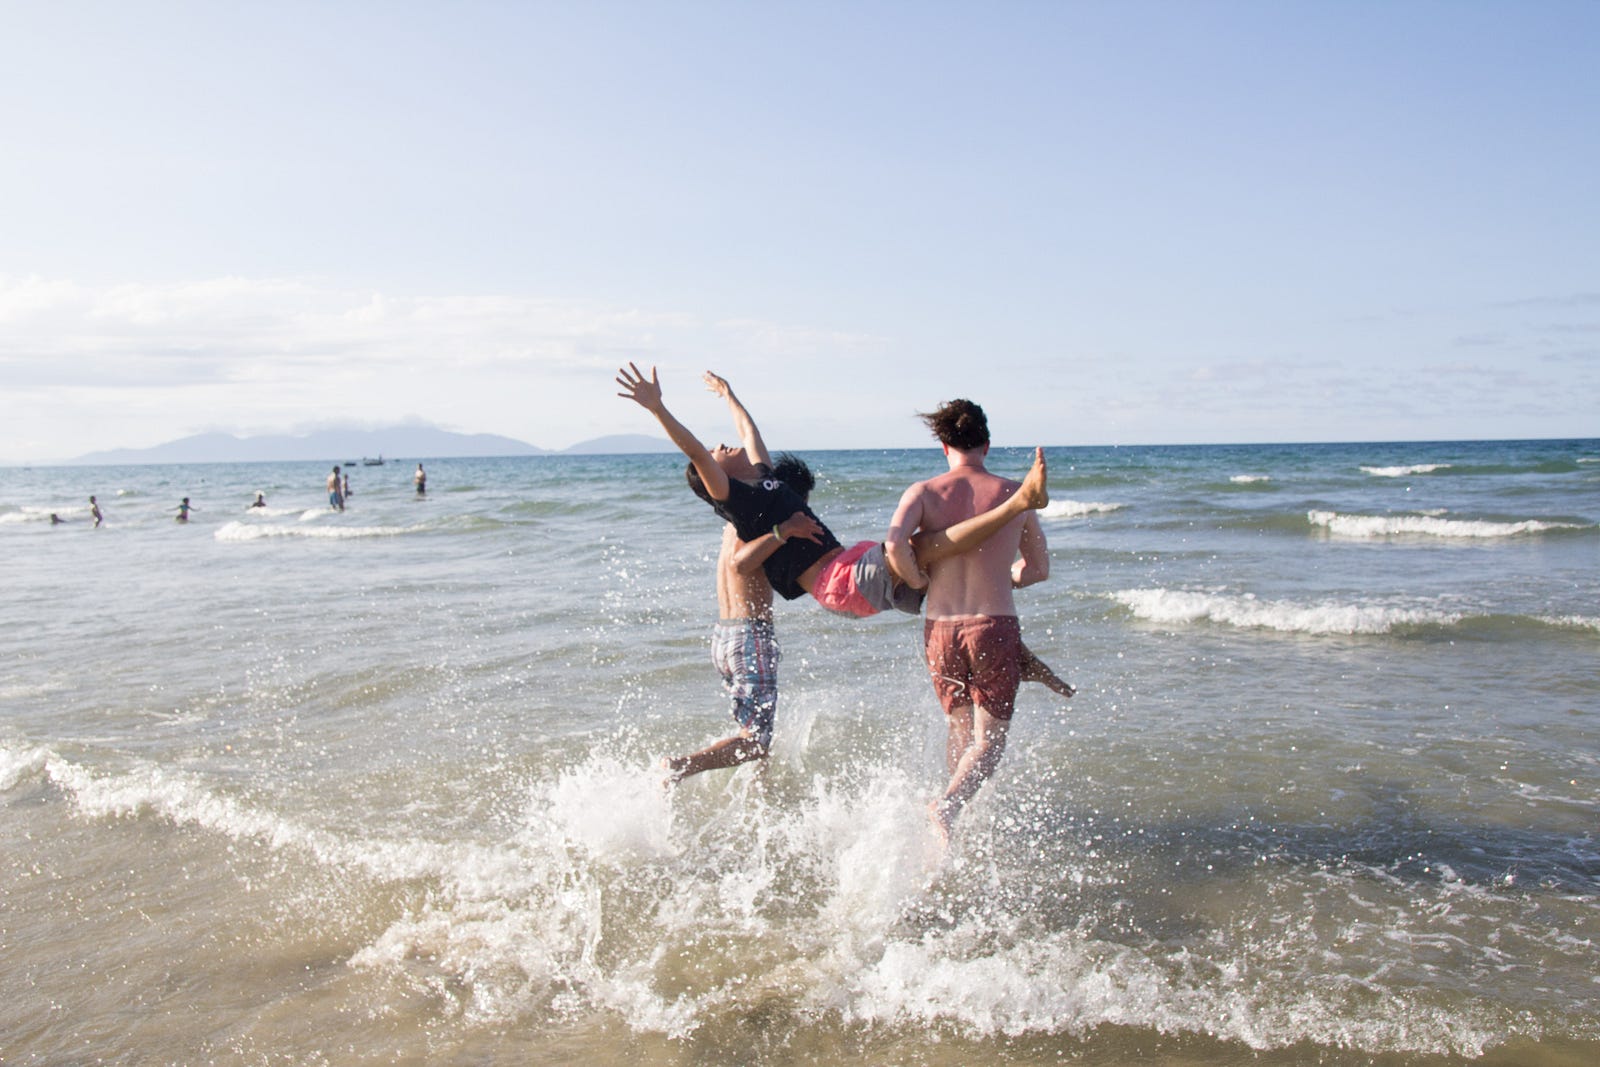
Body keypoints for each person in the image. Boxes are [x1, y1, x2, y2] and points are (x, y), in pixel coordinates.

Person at [616, 365, 1050, 620]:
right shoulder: (737, 500)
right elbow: (695, 450)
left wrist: (728, 394)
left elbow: (749, 431)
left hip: (849, 569)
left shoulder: (766, 478)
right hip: (839, 582)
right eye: (717, 453)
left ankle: (1016, 646)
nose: (723, 446)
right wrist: (658, 408)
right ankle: (1017, 503)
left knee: (951, 571)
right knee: (919, 547)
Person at [885, 399, 1073, 845]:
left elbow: (894, 546)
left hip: (940, 629)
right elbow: (1038, 569)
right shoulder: (1015, 495)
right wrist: (1004, 576)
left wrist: (918, 579)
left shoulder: (922, 492)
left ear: (944, 447)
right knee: (989, 740)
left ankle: (947, 827)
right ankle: (949, 806)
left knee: (960, 727)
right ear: (986, 445)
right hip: (992, 626)